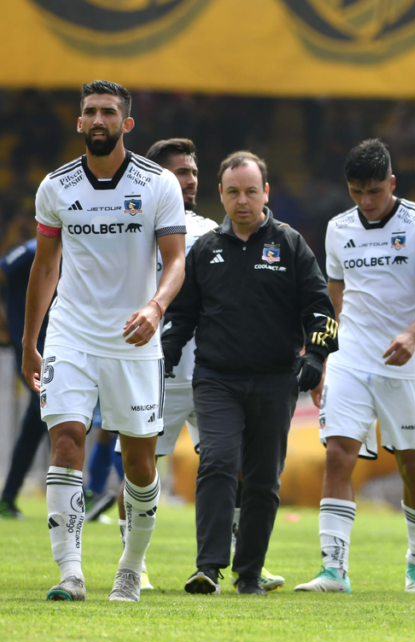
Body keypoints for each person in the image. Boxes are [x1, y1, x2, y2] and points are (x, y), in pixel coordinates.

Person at [24, 80, 187, 602]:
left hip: (134, 337)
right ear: (79, 122)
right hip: (70, 334)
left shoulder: (159, 184)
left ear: (126, 123)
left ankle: (130, 567)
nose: (98, 120)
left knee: (139, 464)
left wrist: (155, 306)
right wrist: (32, 338)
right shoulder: (55, 187)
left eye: (109, 113)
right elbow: (45, 266)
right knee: (66, 441)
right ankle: (70, 574)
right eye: (90, 112)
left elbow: (176, 260)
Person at [111, 138, 286, 592]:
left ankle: (248, 558)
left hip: (211, 372)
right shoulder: (133, 222)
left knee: (236, 469)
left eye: (192, 172)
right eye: (178, 172)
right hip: (157, 368)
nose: (189, 180)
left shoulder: (213, 230)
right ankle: (136, 561)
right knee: (139, 465)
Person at [162, 151, 337, 596]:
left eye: (251, 191)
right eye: (234, 192)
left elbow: (321, 310)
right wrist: (164, 354)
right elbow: (183, 316)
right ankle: (208, 568)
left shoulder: (291, 244)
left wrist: (315, 358)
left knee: (262, 478)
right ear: (220, 194)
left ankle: (249, 574)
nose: (243, 201)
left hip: (276, 379)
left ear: (266, 193)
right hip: (216, 378)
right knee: (218, 460)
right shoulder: (204, 250)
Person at [294, 139, 415, 594]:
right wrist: (323, 358)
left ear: (392, 183)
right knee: (338, 454)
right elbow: (334, 299)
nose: (366, 201)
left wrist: (412, 333)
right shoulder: (338, 228)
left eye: (375, 191)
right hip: (353, 358)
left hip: (407, 360)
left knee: (411, 465)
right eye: (357, 192)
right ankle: (334, 570)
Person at [0, 239, 50, 520]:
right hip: (29, 348)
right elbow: (3, 269)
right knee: (55, 413)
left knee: (37, 419)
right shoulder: (32, 249)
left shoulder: (75, 249)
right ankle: (78, 492)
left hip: (55, 347)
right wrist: (5, 323)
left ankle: (7, 498)